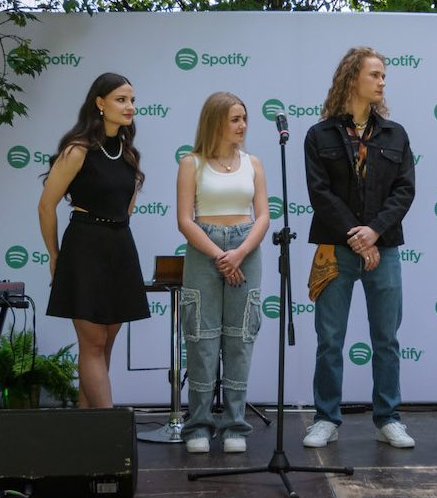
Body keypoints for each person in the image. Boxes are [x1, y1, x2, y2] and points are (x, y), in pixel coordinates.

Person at [301, 47, 417, 449]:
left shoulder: (396, 134)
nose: (382, 81)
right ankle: (325, 418)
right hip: (335, 248)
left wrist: (374, 232)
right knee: (330, 338)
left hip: (383, 248)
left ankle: (388, 418)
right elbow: (320, 193)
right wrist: (356, 233)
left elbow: (405, 191)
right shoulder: (319, 135)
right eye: (375, 74)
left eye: (384, 75)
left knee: (386, 338)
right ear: (352, 79)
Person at [38, 72, 151, 409]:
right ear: (99, 103)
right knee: (92, 344)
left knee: (105, 345)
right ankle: (109, 431)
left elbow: (126, 207)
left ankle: (86, 436)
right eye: (121, 99)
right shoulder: (78, 150)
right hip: (84, 246)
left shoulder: (129, 154)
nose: (130, 106)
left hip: (120, 246)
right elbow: (46, 205)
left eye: (131, 100)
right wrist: (55, 256)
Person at [175, 92, 270, 454]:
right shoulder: (191, 163)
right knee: (201, 338)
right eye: (234, 119)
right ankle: (198, 424)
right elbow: (185, 220)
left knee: (240, 339)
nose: (242, 125)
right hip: (205, 251)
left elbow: (262, 216)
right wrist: (220, 256)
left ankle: (235, 425)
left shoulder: (254, 163)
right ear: (215, 121)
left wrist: (240, 252)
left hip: (246, 249)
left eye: (244, 118)